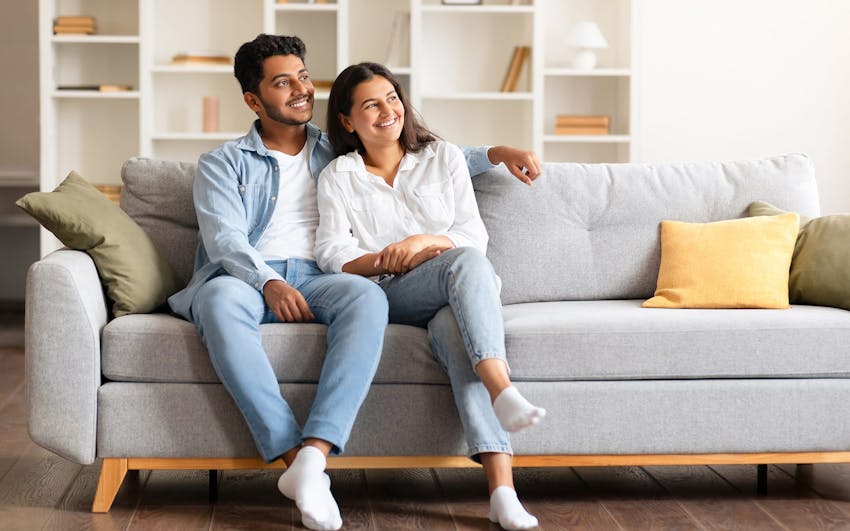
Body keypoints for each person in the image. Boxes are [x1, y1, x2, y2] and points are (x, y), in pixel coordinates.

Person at [167, 35, 542, 531]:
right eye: (283, 83)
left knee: (367, 298)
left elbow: (417, 148)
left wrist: (495, 152)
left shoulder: (335, 149)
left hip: (325, 277)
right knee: (217, 303)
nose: (301, 90)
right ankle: (297, 464)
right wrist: (268, 282)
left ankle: (316, 455)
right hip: (247, 274)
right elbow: (226, 240)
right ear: (253, 100)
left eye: (303, 77)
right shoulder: (224, 162)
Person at [315, 62, 545, 531]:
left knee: (459, 326)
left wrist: (422, 242)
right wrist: (383, 259)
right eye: (371, 104)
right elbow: (331, 251)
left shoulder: (442, 156)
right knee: (466, 263)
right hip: (393, 293)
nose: (387, 111)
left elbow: (470, 235)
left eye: (392, 98)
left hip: (455, 292)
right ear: (346, 120)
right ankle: (502, 388)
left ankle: (503, 492)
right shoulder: (338, 176)